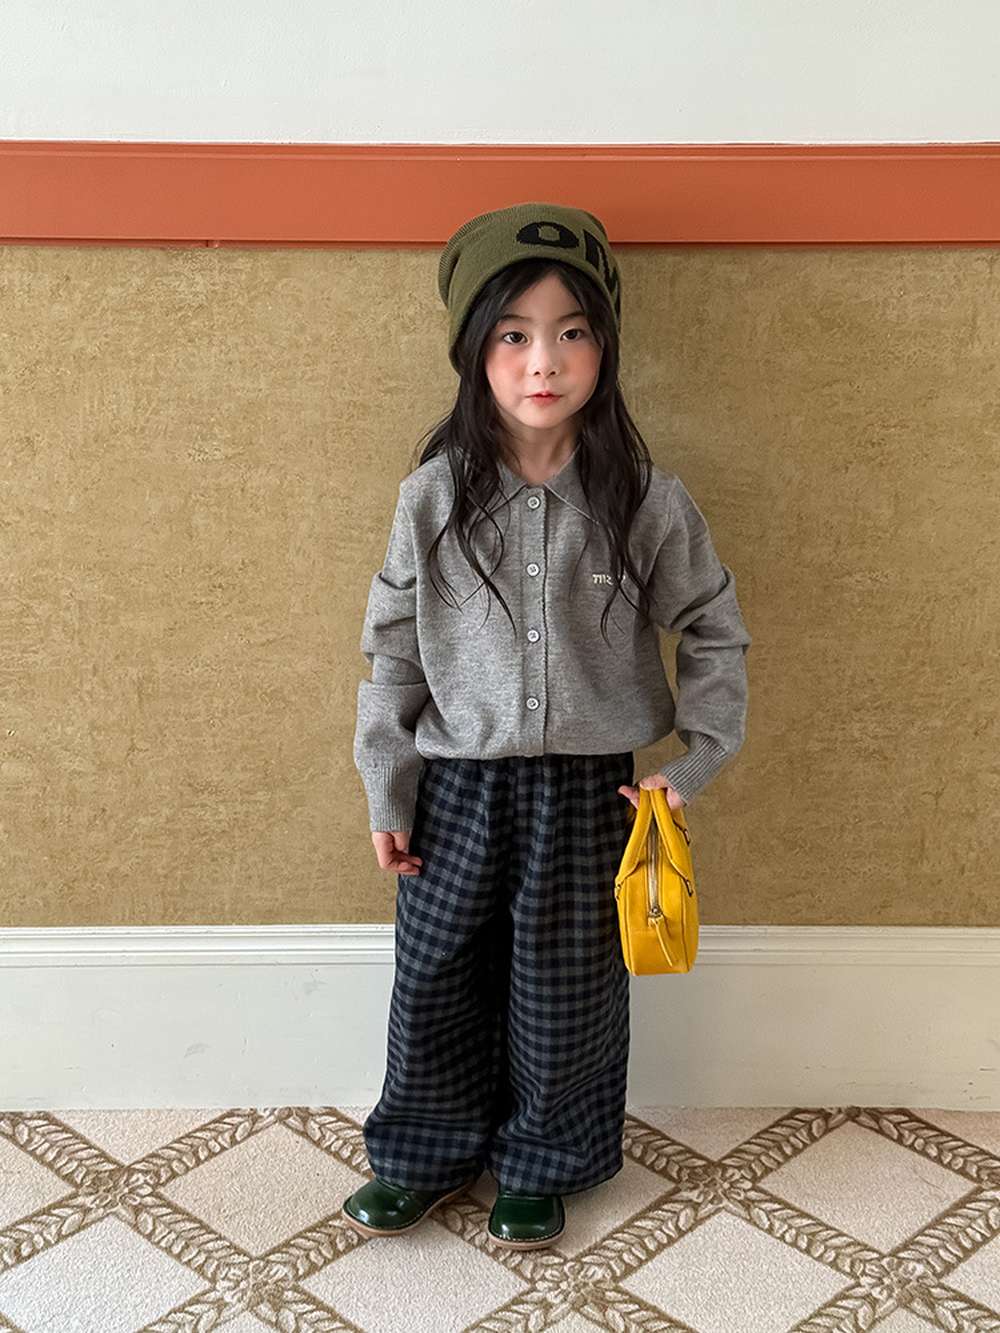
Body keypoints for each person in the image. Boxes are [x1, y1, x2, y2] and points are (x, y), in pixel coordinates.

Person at [341, 201, 752, 1250]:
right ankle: (423, 1151)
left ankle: (543, 1162)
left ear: (604, 346)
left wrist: (692, 763)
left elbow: (713, 626)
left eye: (572, 331)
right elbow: (392, 650)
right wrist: (388, 788)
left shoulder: (646, 500)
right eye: (513, 334)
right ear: (473, 351)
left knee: (565, 989)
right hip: (455, 788)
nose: (543, 361)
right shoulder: (431, 499)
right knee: (436, 977)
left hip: (590, 789)